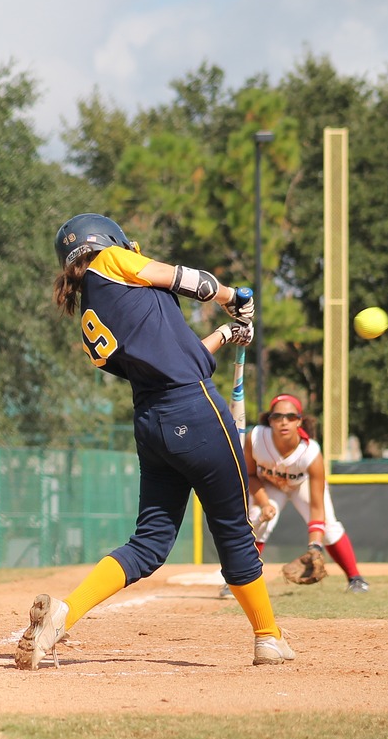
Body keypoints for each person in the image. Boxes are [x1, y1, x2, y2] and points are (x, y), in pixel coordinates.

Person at [15, 213, 294, 670]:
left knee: (148, 543)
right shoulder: (112, 260)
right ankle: (268, 636)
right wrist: (232, 298)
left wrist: (226, 333)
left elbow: (179, 357)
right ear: (106, 242)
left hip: (153, 422)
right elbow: (188, 280)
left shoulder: (92, 311)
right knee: (233, 529)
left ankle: (64, 615)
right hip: (196, 410)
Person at [244, 394, 369, 593]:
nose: (284, 422)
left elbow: (317, 508)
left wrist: (315, 547)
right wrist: (264, 503)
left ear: (299, 420)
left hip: (302, 484)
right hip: (270, 485)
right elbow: (249, 474)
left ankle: (355, 578)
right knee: (257, 520)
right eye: (277, 417)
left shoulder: (310, 453)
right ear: (270, 420)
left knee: (329, 528)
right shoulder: (256, 438)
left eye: (291, 417)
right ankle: (241, 581)